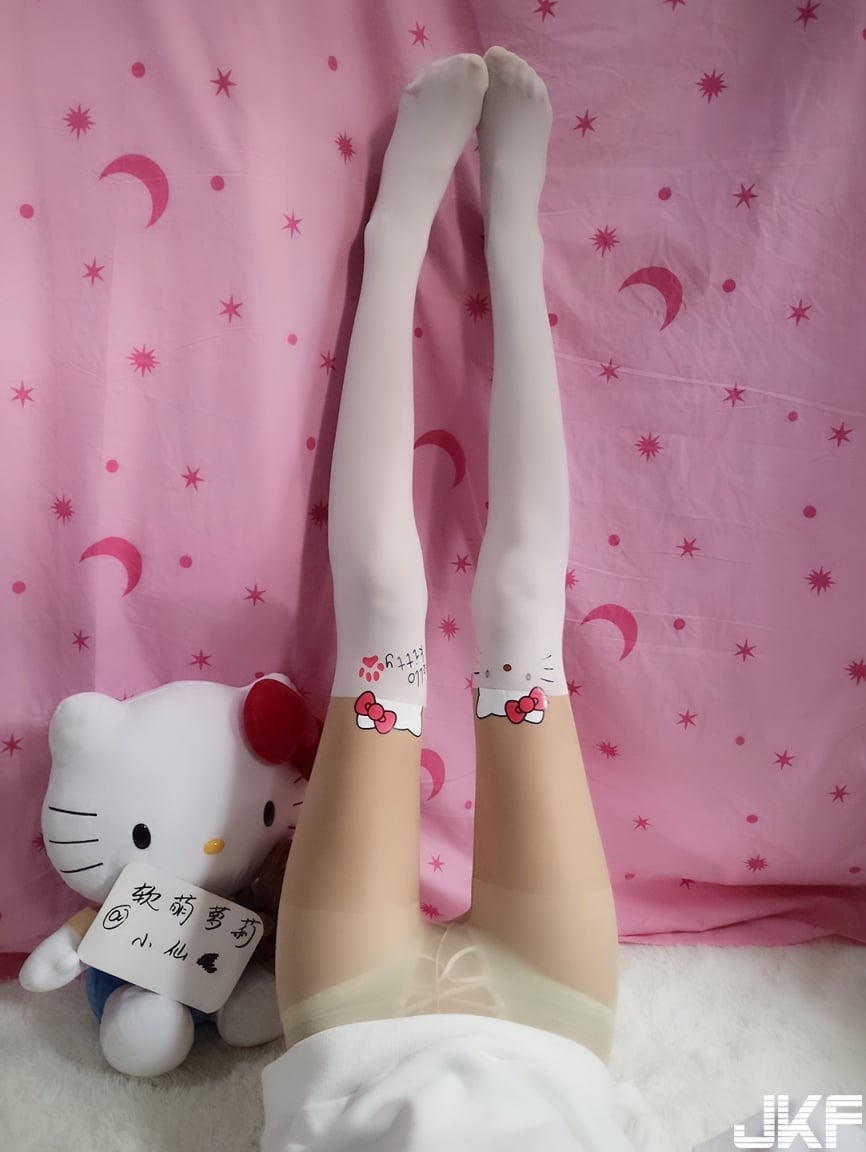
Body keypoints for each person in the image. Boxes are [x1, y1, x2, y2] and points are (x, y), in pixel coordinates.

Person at [261, 46, 636, 1152]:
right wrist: (823, 1123)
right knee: (518, 606)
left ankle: (397, 242)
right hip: (553, 1029)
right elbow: (797, 1131)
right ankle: (512, 238)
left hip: (350, 1033)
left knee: (385, 607)